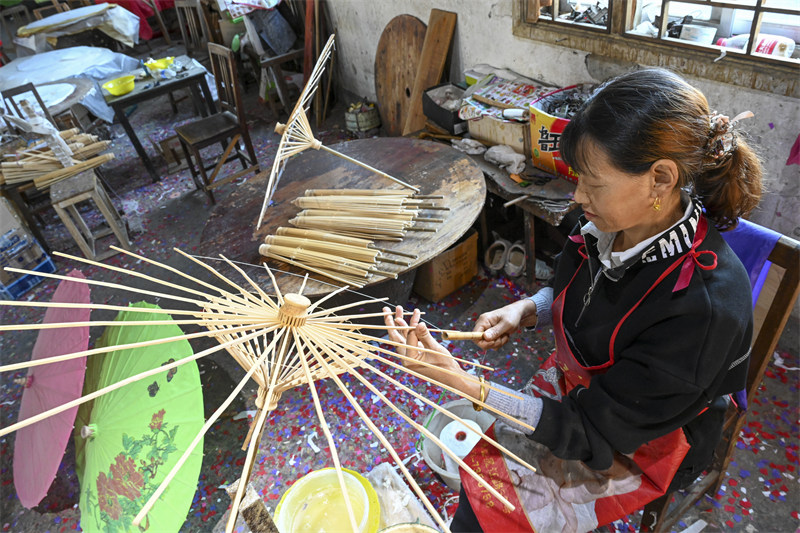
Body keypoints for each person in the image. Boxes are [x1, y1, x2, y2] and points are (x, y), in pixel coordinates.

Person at [383, 68, 763, 532]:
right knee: (481, 472)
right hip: (585, 388)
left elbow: (592, 431)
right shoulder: (608, 222)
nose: (578, 195)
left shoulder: (703, 309)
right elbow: (581, 287)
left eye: (593, 183)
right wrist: (530, 309)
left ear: (660, 179)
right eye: (578, 177)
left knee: (490, 510)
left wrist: (466, 385)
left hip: (639, 438)